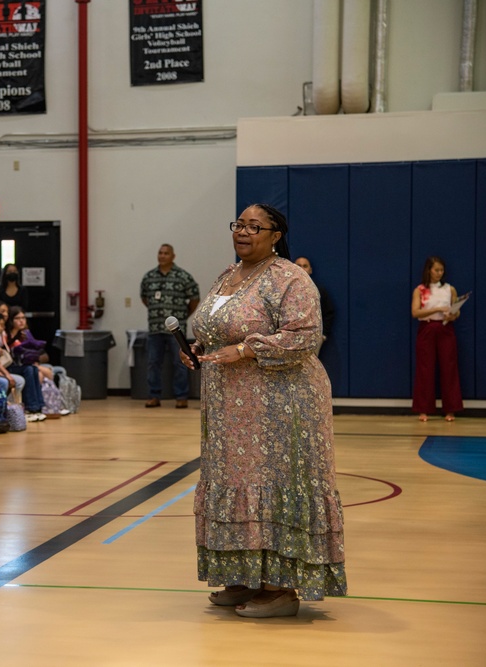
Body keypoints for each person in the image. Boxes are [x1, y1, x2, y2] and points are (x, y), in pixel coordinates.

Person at [185, 203, 346, 618]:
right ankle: (243, 576)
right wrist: (201, 349)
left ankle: (279, 589)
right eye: (239, 223)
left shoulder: (290, 279)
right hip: (230, 411)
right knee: (238, 486)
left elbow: (306, 337)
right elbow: (215, 327)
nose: (243, 231)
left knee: (272, 485)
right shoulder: (227, 276)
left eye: (255, 226)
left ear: (276, 236)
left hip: (281, 406)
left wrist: (244, 350)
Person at [141, 243, 200, 409]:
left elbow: (194, 298)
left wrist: (182, 317)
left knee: (180, 362)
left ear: (173, 256)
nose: (162, 256)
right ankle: (154, 396)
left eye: (166, 253)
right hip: (155, 328)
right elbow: (145, 298)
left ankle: (181, 396)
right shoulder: (149, 277)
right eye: (160, 253)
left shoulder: (183, 276)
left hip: (176, 331)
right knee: (153, 363)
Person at [411, 256, 463, 422]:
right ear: (429, 270)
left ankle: (451, 409)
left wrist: (452, 314)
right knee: (425, 368)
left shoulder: (450, 289)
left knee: (449, 367)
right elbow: (415, 312)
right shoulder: (419, 290)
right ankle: (423, 409)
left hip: (445, 328)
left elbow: (457, 312)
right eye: (436, 270)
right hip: (427, 329)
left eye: (442, 270)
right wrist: (437, 309)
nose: (439, 273)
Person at [294, 257, 334, 349]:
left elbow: (328, 313)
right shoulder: (284, 290)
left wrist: (323, 335)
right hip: (289, 338)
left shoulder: (319, 290)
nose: (301, 268)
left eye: (305, 266)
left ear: (310, 270)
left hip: (313, 338)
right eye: (298, 265)